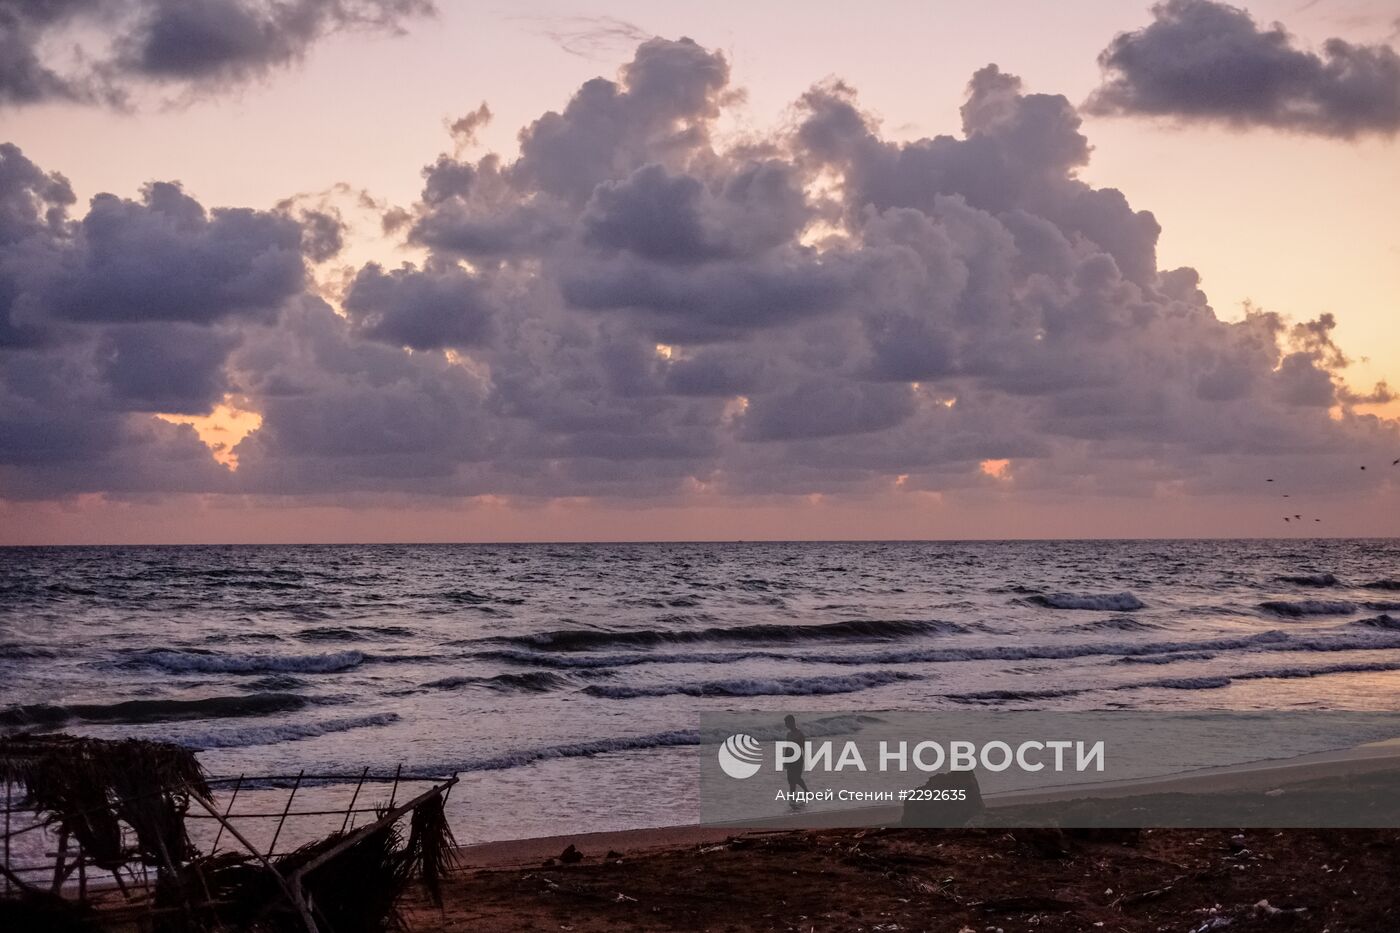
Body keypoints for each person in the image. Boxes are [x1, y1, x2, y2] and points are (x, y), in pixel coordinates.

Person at [783, 714, 809, 795]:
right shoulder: (788, 734)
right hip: (790, 758)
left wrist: (806, 760)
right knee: (790, 779)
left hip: (798, 759)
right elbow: (787, 748)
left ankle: (806, 791)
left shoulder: (800, 734)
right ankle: (792, 796)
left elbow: (804, 747)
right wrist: (785, 760)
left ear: (792, 722)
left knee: (796, 778)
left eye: (787, 723)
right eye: (785, 723)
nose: (786, 725)